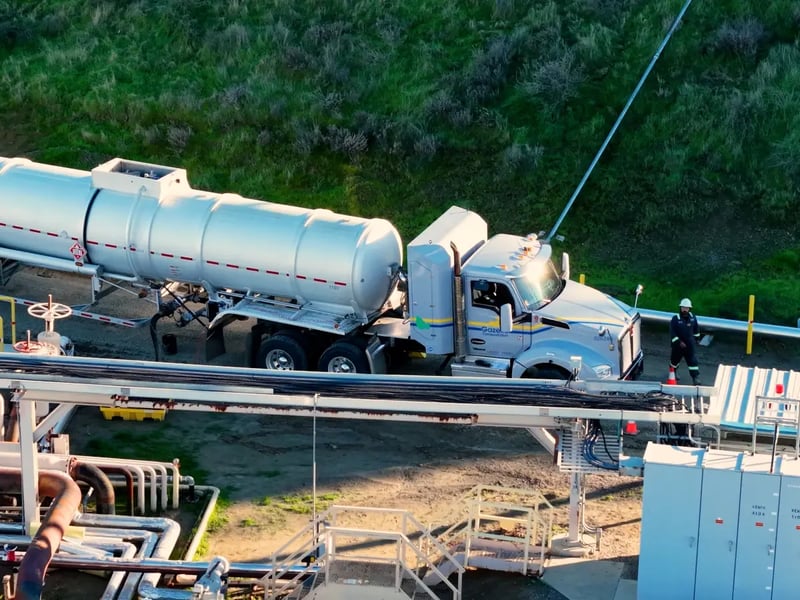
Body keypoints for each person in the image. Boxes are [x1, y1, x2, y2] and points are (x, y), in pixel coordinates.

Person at [670, 297, 702, 385]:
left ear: (689, 309)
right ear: (680, 308)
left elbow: (696, 329)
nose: (684, 310)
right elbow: (673, 333)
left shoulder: (693, 318)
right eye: (683, 308)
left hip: (689, 345)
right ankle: (673, 374)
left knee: (692, 362)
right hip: (678, 346)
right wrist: (678, 342)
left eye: (686, 308)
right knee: (674, 361)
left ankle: (696, 378)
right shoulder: (675, 319)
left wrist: (697, 339)